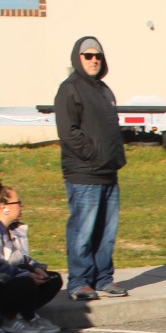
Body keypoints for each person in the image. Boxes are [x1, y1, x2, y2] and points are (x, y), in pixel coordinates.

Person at [53, 35, 128, 301]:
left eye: (98, 56)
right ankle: (79, 283)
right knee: (82, 232)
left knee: (106, 234)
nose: (94, 60)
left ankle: (103, 279)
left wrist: (114, 159)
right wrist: (93, 155)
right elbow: (68, 131)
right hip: (84, 174)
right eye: (88, 55)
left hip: (108, 173)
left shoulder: (104, 90)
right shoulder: (70, 89)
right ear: (78, 58)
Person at [0, 184, 63, 333]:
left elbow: (22, 258)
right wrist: (24, 274)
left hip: (10, 280)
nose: (21, 206)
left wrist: (36, 268)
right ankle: (16, 318)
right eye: (18, 202)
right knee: (26, 281)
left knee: (53, 279)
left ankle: (20, 315)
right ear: (3, 207)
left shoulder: (14, 230)